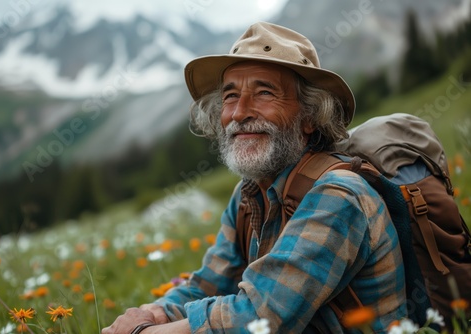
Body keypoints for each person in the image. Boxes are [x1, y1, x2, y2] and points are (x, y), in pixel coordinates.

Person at [102, 21, 407, 334]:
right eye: (231, 96)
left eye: (264, 92)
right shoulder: (247, 194)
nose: (239, 113)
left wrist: (141, 332)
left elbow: (258, 318)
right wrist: (154, 313)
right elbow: (207, 283)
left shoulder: (339, 196)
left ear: (311, 117)